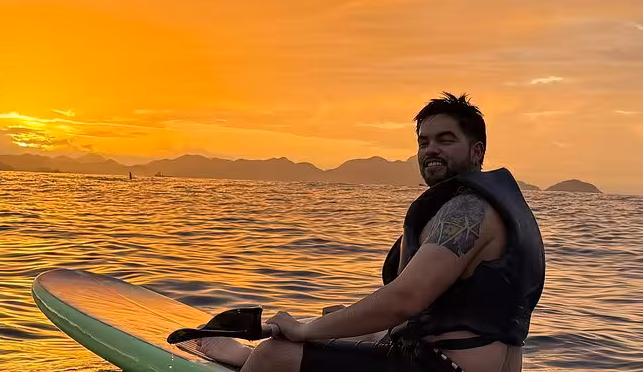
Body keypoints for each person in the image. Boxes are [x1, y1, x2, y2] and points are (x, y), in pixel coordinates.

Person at [196, 92, 546, 372]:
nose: (431, 150)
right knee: (337, 316)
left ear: (476, 151)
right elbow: (412, 313)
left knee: (276, 355)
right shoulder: (490, 206)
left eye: (445, 140)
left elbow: (403, 301)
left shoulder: (467, 209)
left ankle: (251, 361)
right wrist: (326, 324)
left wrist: (301, 332)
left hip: (445, 366)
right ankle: (250, 356)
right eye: (423, 142)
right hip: (460, 360)